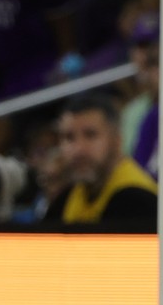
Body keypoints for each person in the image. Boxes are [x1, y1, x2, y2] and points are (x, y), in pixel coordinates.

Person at [47, 92, 157, 226]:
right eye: (69, 138)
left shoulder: (140, 203)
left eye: (90, 135)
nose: (78, 149)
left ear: (117, 139)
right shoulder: (65, 200)